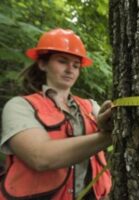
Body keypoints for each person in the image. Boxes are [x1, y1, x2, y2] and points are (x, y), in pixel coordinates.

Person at [0, 28, 113, 200]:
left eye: (76, 65)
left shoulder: (90, 106)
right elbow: (40, 157)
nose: (70, 69)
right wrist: (109, 137)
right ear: (42, 64)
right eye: (62, 61)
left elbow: (110, 127)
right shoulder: (20, 106)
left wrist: (111, 121)